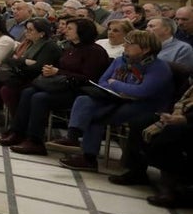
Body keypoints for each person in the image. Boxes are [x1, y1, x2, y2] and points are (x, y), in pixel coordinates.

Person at [58, 30, 175, 172]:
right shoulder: (121, 60)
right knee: (84, 99)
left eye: (130, 43)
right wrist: (121, 89)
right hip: (116, 98)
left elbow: (142, 91)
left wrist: (115, 83)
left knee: (95, 116)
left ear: (145, 49)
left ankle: (88, 157)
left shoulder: (158, 67)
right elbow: (103, 81)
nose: (125, 45)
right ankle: (73, 137)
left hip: (144, 105)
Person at [2, 18, 110, 155]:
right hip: (62, 85)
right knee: (28, 92)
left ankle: (35, 141)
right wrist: (51, 70)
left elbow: (90, 78)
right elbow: (63, 67)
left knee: (39, 98)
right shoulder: (71, 48)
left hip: (79, 90)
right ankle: (18, 132)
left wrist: (58, 72)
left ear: (82, 31)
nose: (65, 31)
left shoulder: (95, 51)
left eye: (70, 28)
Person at [108, 83, 193, 207]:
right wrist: (168, 114)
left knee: (173, 131)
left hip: (188, 122)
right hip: (179, 116)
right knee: (139, 122)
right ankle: (137, 172)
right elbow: (178, 101)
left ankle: (169, 188)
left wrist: (186, 119)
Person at [0, 17, 61, 131]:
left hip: (36, 80)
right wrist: (24, 61)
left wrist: (20, 61)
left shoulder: (49, 46)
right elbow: (10, 60)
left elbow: (38, 68)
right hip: (20, 74)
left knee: (7, 90)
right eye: (26, 29)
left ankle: (18, 126)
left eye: (30, 30)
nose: (26, 32)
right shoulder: (28, 43)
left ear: (42, 33)